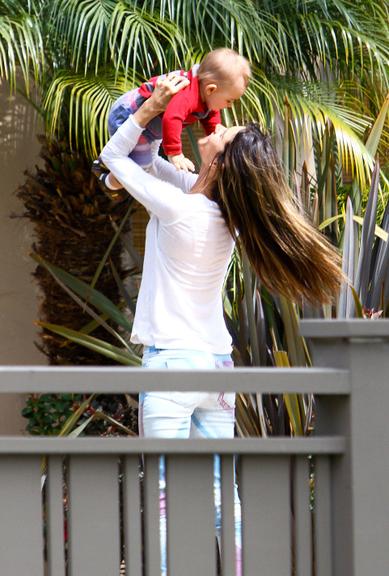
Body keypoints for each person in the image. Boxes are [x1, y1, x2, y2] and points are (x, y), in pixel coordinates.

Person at [100, 75, 343, 575]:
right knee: (219, 496)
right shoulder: (213, 210)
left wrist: (146, 113)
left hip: (170, 369)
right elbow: (149, 169)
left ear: (221, 160)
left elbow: (116, 159)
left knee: (166, 501)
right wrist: (147, 132)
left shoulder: (184, 208)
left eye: (225, 133)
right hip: (216, 368)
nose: (217, 125)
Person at [94, 48, 250, 202]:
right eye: (230, 100)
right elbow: (172, 118)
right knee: (141, 165)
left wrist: (216, 132)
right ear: (210, 89)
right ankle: (109, 181)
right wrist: (175, 153)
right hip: (127, 115)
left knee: (146, 163)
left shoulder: (206, 97)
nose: (230, 106)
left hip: (149, 128)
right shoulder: (187, 94)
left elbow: (211, 118)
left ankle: (112, 173)